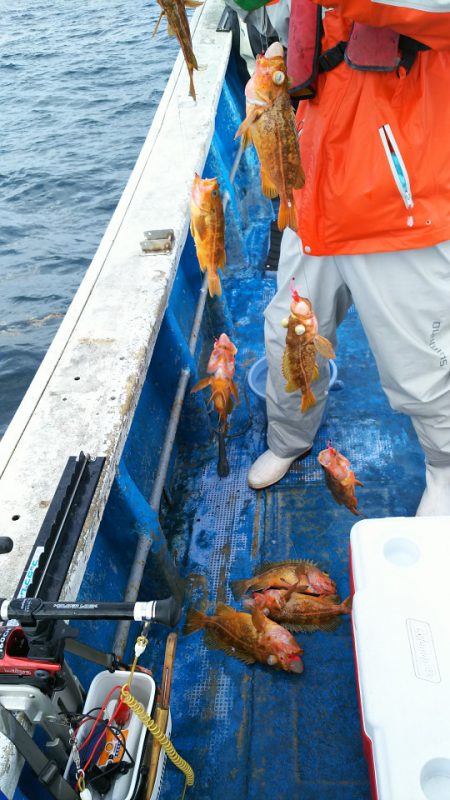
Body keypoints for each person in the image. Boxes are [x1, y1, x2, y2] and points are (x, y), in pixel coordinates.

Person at [246, 0, 450, 516]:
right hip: (313, 189)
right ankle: (289, 439)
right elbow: (285, 29)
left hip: (398, 203)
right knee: (287, 337)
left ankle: (445, 471)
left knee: (421, 366)